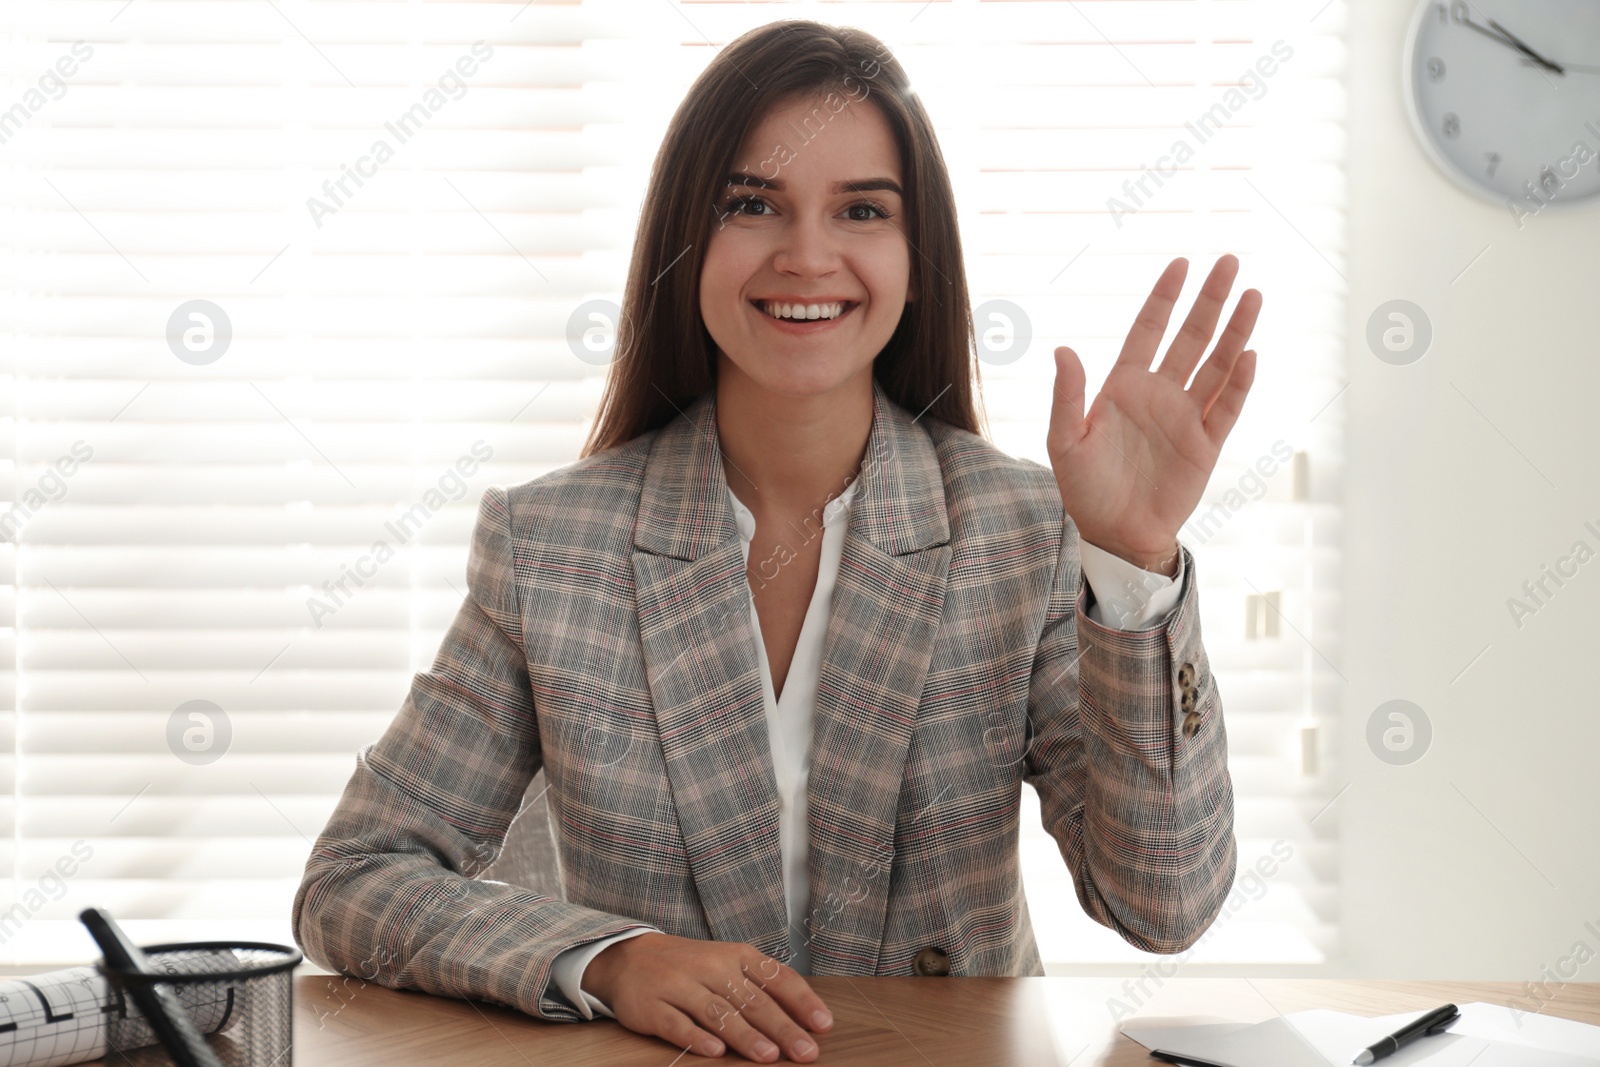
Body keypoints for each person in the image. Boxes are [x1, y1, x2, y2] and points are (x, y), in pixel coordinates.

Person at [292, 18, 1261, 1065]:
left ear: (913, 255)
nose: (807, 255)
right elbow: (355, 880)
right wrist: (612, 957)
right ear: (685, 242)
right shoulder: (551, 542)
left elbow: (1164, 904)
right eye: (752, 205)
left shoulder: (1019, 531)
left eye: (861, 210)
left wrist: (1131, 565)